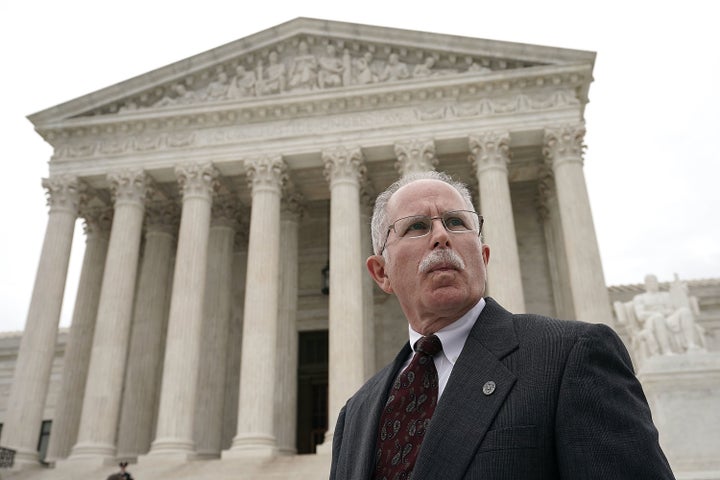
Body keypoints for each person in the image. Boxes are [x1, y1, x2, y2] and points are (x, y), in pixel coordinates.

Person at [329, 171, 675, 479]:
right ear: (381, 273)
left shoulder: (569, 357)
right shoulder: (356, 414)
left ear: (483, 257)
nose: (440, 236)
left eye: (456, 222)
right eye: (417, 226)